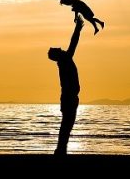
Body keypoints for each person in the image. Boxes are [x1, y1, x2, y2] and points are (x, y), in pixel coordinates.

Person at [48, 15, 84, 156]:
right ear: (58, 54)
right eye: (58, 49)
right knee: (67, 125)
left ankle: (61, 149)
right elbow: (73, 43)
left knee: (66, 125)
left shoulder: (64, 61)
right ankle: (60, 150)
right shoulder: (65, 60)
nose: (61, 49)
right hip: (69, 97)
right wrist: (78, 28)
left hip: (69, 97)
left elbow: (72, 44)